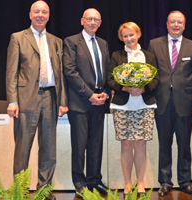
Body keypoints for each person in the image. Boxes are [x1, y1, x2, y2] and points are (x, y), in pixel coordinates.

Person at [5, 1, 68, 199]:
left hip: (51, 97)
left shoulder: (57, 41)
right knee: (23, 148)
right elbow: (11, 73)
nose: (40, 15)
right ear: (30, 14)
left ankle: (44, 190)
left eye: (44, 12)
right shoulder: (18, 38)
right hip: (26, 100)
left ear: (48, 16)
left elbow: (61, 75)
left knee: (48, 149)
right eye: (37, 12)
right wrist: (12, 101)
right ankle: (20, 190)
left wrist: (63, 101)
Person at [148, 11, 192, 197]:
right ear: (166, 24)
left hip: (185, 103)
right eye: (173, 22)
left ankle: (185, 181)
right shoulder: (154, 44)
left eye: (179, 22)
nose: (176, 25)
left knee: (184, 144)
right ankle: (165, 182)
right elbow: (151, 73)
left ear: (184, 25)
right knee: (164, 144)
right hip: (162, 101)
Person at [63, 8, 111, 198]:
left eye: (96, 19)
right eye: (89, 19)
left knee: (96, 144)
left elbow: (106, 71)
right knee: (79, 145)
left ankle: (94, 181)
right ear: (82, 21)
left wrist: (106, 92)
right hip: (80, 102)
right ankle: (79, 183)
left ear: (100, 23)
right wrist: (90, 94)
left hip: (100, 101)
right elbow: (70, 71)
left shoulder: (103, 43)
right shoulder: (71, 41)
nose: (92, 22)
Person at [107, 22, 159, 197]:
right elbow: (110, 79)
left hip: (145, 104)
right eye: (125, 36)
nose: (129, 38)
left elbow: (156, 80)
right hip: (123, 105)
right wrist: (125, 88)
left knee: (141, 144)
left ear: (139, 34)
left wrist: (145, 88)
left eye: (132, 34)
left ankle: (141, 182)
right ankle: (128, 183)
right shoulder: (116, 55)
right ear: (122, 38)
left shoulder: (149, 56)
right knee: (126, 144)